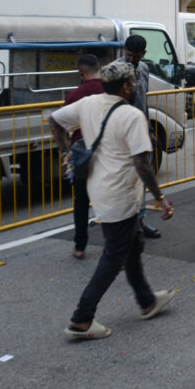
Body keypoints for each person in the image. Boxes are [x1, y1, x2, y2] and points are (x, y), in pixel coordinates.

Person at [49, 61, 175, 340]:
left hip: (101, 190)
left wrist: (65, 152)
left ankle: (146, 301)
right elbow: (142, 163)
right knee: (113, 256)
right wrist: (160, 198)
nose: (135, 86)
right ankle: (81, 318)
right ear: (126, 86)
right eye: (133, 82)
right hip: (120, 195)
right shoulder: (131, 116)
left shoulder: (89, 103)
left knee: (133, 243)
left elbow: (55, 121)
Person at [118, 34, 160, 240]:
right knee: (125, 180)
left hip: (140, 130)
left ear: (143, 54)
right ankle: (124, 224)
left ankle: (140, 221)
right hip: (122, 132)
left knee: (141, 178)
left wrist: (149, 129)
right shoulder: (114, 71)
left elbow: (144, 101)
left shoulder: (144, 69)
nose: (131, 59)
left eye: (136, 56)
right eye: (128, 55)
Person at [64, 54, 104, 258]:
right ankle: (114, 249)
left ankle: (80, 246)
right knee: (107, 201)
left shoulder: (73, 96)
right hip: (105, 152)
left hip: (80, 154)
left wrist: (66, 152)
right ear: (100, 68)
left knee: (80, 201)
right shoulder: (109, 90)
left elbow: (63, 125)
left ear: (81, 72)